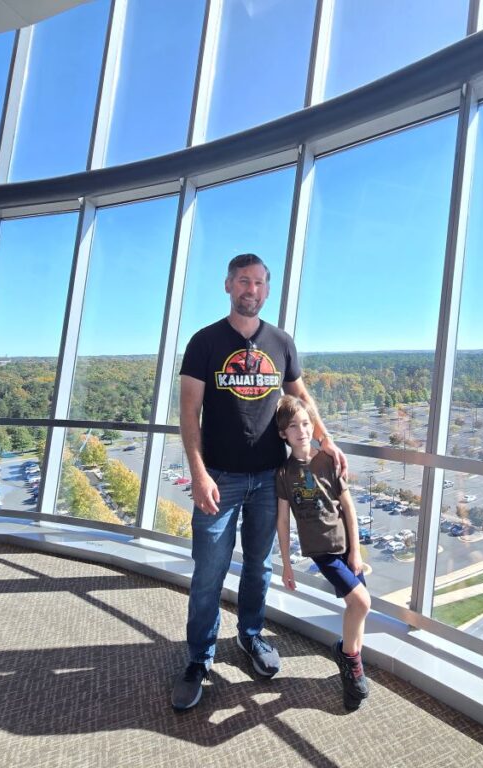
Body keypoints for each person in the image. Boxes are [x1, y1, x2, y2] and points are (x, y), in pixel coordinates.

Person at [172, 253, 346, 711]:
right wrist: (198, 471)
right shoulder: (204, 342)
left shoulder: (281, 342)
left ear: (267, 290)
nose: (252, 290)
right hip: (220, 479)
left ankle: (250, 637)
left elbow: (300, 397)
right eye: (244, 281)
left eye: (260, 283)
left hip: (270, 478)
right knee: (208, 572)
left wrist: (328, 441)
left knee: (258, 566)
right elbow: (189, 411)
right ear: (228, 285)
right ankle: (198, 659)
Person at [274, 394, 371, 711]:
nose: (301, 430)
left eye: (305, 423)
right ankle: (349, 658)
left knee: (358, 610)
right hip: (323, 552)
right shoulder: (284, 474)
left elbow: (349, 509)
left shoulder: (328, 461)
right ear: (283, 434)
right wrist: (287, 565)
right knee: (361, 602)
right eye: (293, 426)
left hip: (346, 548)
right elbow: (283, 520)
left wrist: (355, 552)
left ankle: (351, 672)